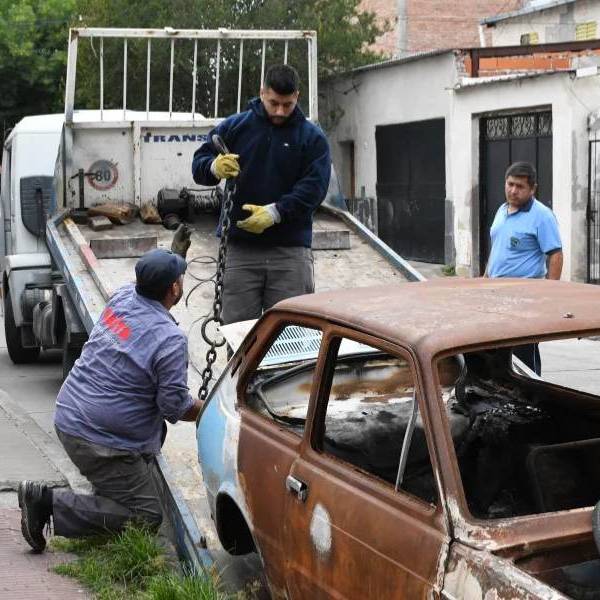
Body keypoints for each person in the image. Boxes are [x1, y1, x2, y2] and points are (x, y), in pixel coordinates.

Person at [19, 248, 203, 552]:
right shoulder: (170, 340)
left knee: (137, 465)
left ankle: (100, 500)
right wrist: (210, 410)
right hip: (98, 440)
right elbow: (174, 407)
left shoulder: (123, 297)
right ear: (174, 288)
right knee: (146, 515)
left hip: (70, 413)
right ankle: (46, 503)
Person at [192, 64, 331, 324]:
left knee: (293, 333)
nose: (280, 111)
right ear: (262, 93)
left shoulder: (312, 138)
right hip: (240, 249)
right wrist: (213, 166)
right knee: (238, 332)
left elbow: (315, 187)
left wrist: (276, 212)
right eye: (274, 103)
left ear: (297, 97)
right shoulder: (235, 127)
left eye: (287, 105)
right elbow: (199, 162)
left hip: (290, 251)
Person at [485, 161, 563, 374]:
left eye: (520, 186)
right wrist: (484, 280)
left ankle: (532, 399)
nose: (513, 190)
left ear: (532, 189)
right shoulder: (502, 211)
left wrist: (550, 293)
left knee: (523, 359)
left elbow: (555, 254)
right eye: (510, 184)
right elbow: (497, 249)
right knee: (495, 353)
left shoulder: (542, 215)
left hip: (525, 300)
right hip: (495, 296)